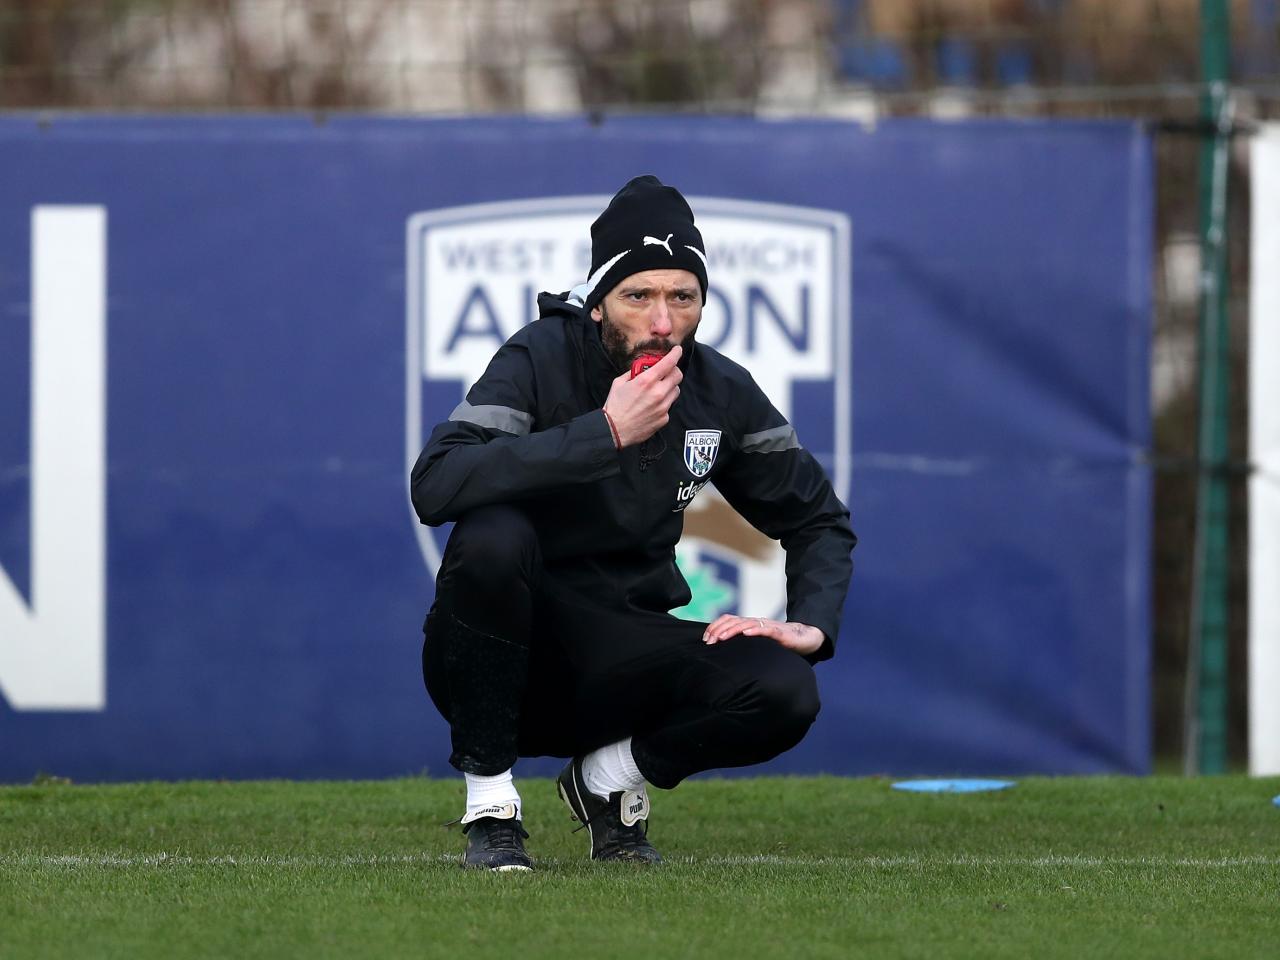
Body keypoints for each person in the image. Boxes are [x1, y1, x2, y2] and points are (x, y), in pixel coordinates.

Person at [411, 175, 856, 871]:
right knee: (494, 536)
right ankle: (492, 806)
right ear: (596, 306)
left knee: (784, 689)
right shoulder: (540, 357)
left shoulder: (717, 389)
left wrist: (813, 621)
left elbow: (819, 521)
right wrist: (605, 432)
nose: (661, 321)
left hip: (621, 660)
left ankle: (605, 782)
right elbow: (436, 483)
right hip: (503, 660)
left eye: (683, 296)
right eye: (638, 295)